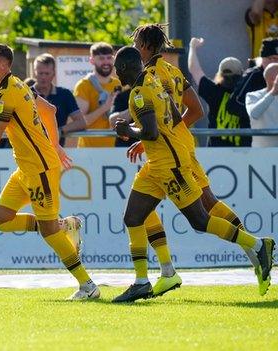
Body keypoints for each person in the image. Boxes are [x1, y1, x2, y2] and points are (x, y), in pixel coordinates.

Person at [113, 46, 275, 303]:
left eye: (116, 69)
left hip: (169, 167)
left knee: (200, 219)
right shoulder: (154, 81)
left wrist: (128, 130)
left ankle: (258, 245)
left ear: (123, 68)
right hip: (157, 164)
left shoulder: (139, 94)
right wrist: (148, 132)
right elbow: (175, 117)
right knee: (133, 217)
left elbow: (152, 133)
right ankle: (141, 282)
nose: (116, 75)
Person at [0, 42, 99, 300]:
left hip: (40, 170)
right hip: (27, 169)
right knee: (0, 220)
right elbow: (50, 111)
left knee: (48, 233)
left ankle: (88, 286)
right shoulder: (18, 84)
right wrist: (55, 144)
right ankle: (64, 225)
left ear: (3, 65)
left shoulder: (6, 94)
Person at [188, 37, 245, 147]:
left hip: (215, 152)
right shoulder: (247, 93)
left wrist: (192, 47)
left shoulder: (213, 90)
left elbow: (194, 69)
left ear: (219, 74)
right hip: (245, 153)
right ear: (241, 74)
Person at [227, 37, 278, 147]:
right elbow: (232, 105)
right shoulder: (252, 76)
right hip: (252, 141)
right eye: (272, 58)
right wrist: (262, 112)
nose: (275, 62)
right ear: (263, 58)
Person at [31, 53, 86, 146]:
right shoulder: (25, 94)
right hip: (30, 150)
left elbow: (81, 122)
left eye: (47, 73)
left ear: (54, 74)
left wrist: (60, 130)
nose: (43, 77)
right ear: (34, 73)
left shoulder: (65, 94)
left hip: (56, 152)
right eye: (40, 73)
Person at [74, 42, 120, 148]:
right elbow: (79, 122)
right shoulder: (83, 85)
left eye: (109, 58)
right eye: (101, 58)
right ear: (92, 60)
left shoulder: (118, 84)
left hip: (115, 150)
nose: (106, 62)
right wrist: (104, 108)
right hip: (89, 151)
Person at [246, 63, 278, 146]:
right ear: (271, 79)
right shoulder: (253, 95)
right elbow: (254, 114)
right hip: (261, 153)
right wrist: (273, 92)